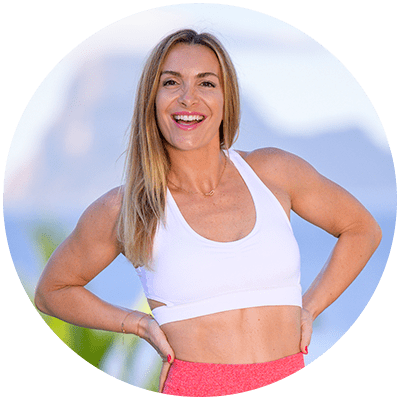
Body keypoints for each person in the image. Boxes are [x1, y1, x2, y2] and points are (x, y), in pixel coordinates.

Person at [35, 29, 382, 396]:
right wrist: (138, 323)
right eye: (171, 82)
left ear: (226, 98)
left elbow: (361, 228)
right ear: (151, 99)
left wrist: (309, 308)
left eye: (206, 83)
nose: (189, 97)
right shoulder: (127, 207)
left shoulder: (274, 172)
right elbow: (52, 290)